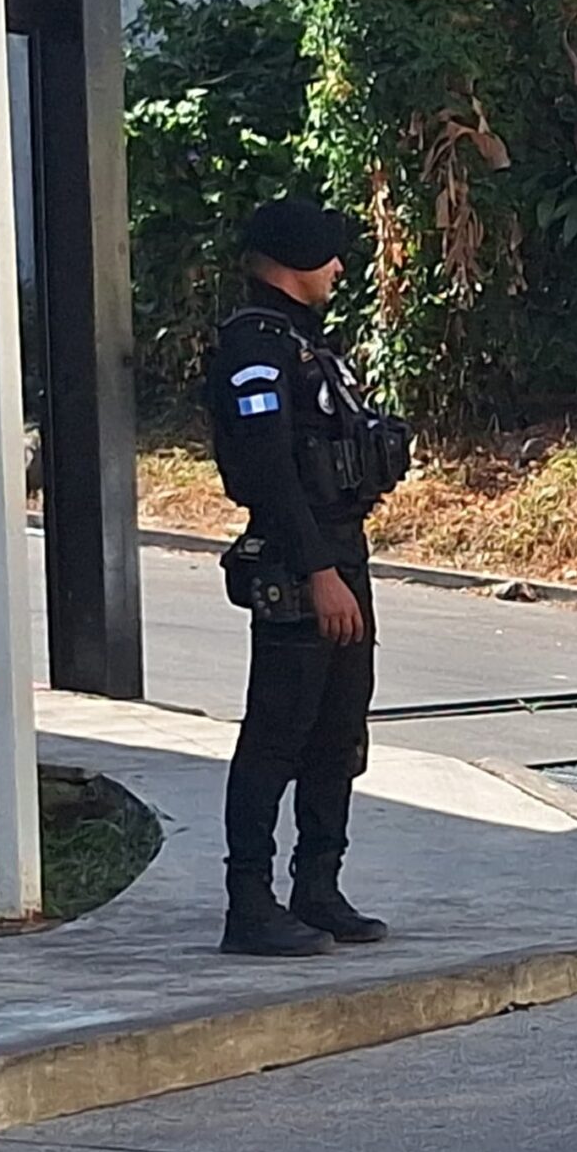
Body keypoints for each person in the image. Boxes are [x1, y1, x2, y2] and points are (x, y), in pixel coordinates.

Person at [206, 198, 413, 958]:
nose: (339, 269)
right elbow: (268, 472)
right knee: (276, 734)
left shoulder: (304, 343)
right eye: (328, 255)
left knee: (338, 731)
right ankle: (250, 903)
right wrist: (320, 570)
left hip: (340, 551)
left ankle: (318, 887)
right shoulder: (254, 349)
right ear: (295, 260)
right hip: (299, 562)